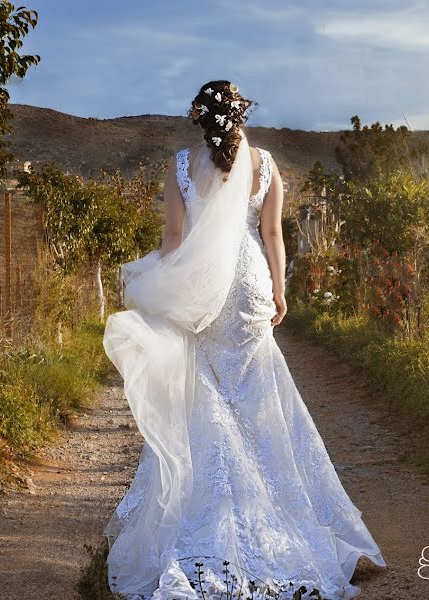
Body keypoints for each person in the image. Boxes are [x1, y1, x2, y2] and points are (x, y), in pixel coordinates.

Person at [102, 80, 385, 600]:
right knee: (260, 400)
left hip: (203, 292)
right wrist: (279, 290)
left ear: (199, 119)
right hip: (251, 287)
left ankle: (207, 519)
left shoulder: (181, 166)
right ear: (241, 114)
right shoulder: (267, 163)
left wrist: (160, 293)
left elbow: (171, 241)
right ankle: (284, 519)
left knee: (206, 395)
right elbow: (273, 234)